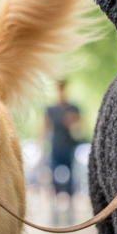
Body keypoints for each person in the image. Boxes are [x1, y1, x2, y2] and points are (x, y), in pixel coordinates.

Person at [44, 79, 81, 219]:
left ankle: (71, 206)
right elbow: (45, 127)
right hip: (55, 147)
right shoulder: (51, 109)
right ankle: (53, 207)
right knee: (53, 177)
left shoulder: (72, 107)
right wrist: (42, 146)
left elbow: (78, 126)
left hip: (69, 147)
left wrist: (71, 121)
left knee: (71, 176)